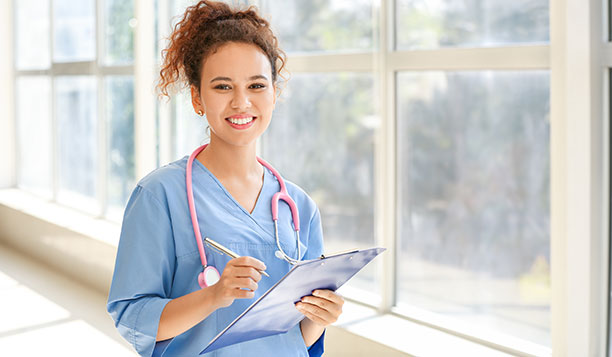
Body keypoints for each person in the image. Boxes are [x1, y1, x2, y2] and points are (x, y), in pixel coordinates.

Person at [106, 1, 344, 356]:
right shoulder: (160, 196)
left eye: (257, 85)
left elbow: (295, 340)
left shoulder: (299, 207)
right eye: (222, 87)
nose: (242, 102)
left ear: (275, 94)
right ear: (197, 98)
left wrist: (320, 318)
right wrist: (213, 297)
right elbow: (132, 317)